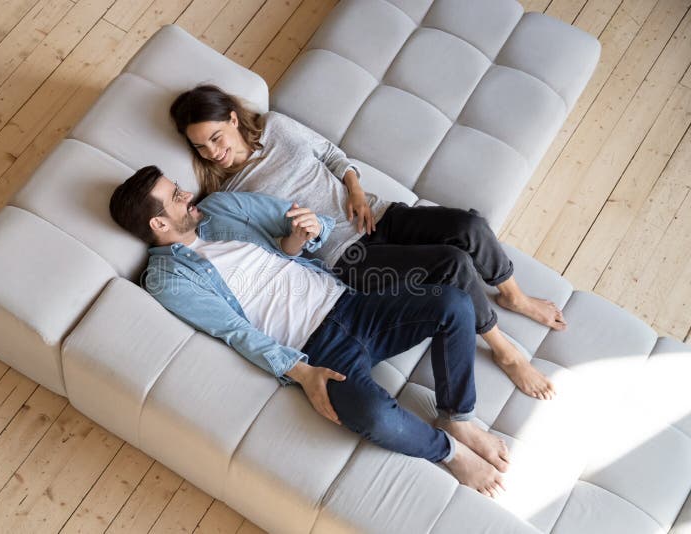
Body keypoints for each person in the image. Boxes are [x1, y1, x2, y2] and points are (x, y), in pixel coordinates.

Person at [109, 165, 508, 497]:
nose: (186, 195)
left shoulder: (222, 208)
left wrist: (306, 233)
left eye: (179, 187)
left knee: (452, 302)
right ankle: (449, 452)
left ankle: (458, 416)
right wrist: (301, 372)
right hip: (317, 350)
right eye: (175, 197)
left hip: (350, 301)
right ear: (158, 223)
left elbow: (307, 222)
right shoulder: (168, 280)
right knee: (372, 414)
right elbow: (233, 331)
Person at [169, 85, 567, 401]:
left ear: (234, 119)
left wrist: (355, 189)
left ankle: (514, 296)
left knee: (469, 226)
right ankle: (505, 351)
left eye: (216, 138)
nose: (213, 153)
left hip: (376, 212)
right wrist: (297, 237)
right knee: (452, 263)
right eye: (201, 147)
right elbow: (275, 250)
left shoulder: (275, 127)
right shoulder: (229, 194)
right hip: (348, 255)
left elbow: (329, 153)